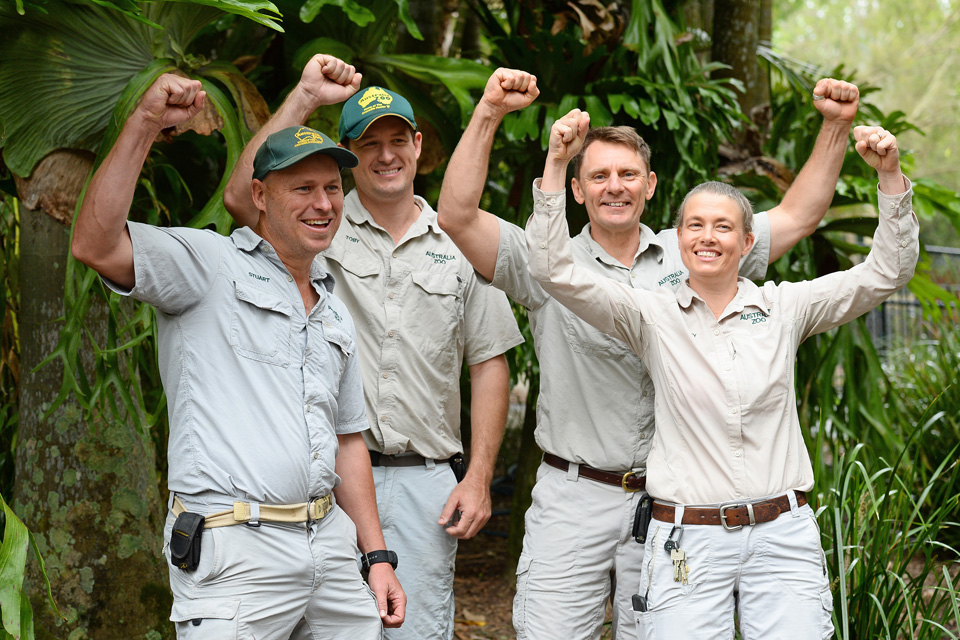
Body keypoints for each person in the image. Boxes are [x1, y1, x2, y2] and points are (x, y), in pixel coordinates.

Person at [436, 69, 860, 639]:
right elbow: (456, 216)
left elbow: (798, 215)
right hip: (574, 497)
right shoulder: (545, 258)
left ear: (650, 185)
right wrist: (489, 110)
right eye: (599, 176)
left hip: (670, 510)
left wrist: (836, 126)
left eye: (628, 174)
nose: (615, 187)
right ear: (576, 190)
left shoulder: (698, 252)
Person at [525, 109, 916, 638]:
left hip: (782, 537)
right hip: (688, 538)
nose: (708, 238)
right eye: (695, 226)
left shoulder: (785, 309)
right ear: (678, 239)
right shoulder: (650, 315)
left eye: (723, 227)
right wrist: (556, 162)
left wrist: (889, 176)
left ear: (748, 243)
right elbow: (553, 269)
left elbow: (887, 271)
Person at [72, 72, 404, 638]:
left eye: (331, 188)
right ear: (260, 196)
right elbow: (95, 244)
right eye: (302, 188)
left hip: (329, 545)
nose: (323, 203)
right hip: (236, 552)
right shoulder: (208, 265)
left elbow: (347, 440)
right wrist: (146, 123)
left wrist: (376, 557)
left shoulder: (333, 309)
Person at [223, 55, 523, 640]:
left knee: (415, 630)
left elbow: (489, 361)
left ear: (418, 146)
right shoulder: (317, 222)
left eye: (396, 141)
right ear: (346, 153)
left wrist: (479, 476)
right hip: (321, 480)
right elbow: (242, 197)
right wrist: (306, 96)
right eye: (367, 144)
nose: (385, 156)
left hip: (423, 482)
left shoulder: (460, 239)